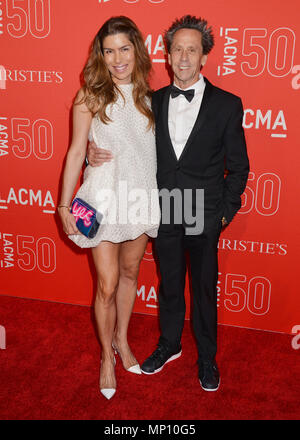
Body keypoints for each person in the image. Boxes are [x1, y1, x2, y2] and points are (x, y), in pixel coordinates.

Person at [87, 15, 249, 392]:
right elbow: (120, 140)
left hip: (204, 209)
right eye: (178, 49)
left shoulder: (227, 104)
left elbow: (239, 168)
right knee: (170, 283)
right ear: (168, 55)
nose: (184, 58)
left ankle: (207, 356)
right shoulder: (151, 101)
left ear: (204, 57)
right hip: (165, 207)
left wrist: (223, 212)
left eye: (192, 50)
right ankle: (170, 344)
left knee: (205, 288)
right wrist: (91, 154)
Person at [58, 16, 160, 400]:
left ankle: (121, 339)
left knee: (131, 273)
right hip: (101, 201)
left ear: (136, 50)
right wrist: (64, 203)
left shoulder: (151, 97)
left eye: (124, 48)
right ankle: (106, 356)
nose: (118, 58)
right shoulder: (90, 95)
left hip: (139, 199)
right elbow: (73, 152)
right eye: (109, 50)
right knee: (107, 284)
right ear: (100, 55)